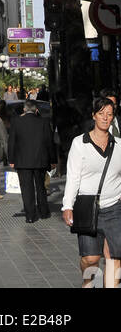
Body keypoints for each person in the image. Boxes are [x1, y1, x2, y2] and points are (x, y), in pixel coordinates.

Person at [62, 96, 121, 288]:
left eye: (109, 114)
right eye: (101, 113)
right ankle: (88, 282)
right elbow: (73, 178)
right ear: (94, 115)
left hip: (114, 208)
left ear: (113, 118)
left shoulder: (119, 146)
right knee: (91, 259)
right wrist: (68, 206)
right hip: (87, 207)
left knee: (114, 258)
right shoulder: (80, 143)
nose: (105, 118)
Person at [7, 98, 55, 223]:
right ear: (36, 110)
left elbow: (11, 142)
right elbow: (50, 143)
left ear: (24, 109)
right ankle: (44, 212)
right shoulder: (44, 122)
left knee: (26, 188)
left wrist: (11, 159)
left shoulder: (16, 122)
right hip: (40, 159)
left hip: (22, 161)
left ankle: (30, 215)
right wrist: (53, 159)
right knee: (40, 186)